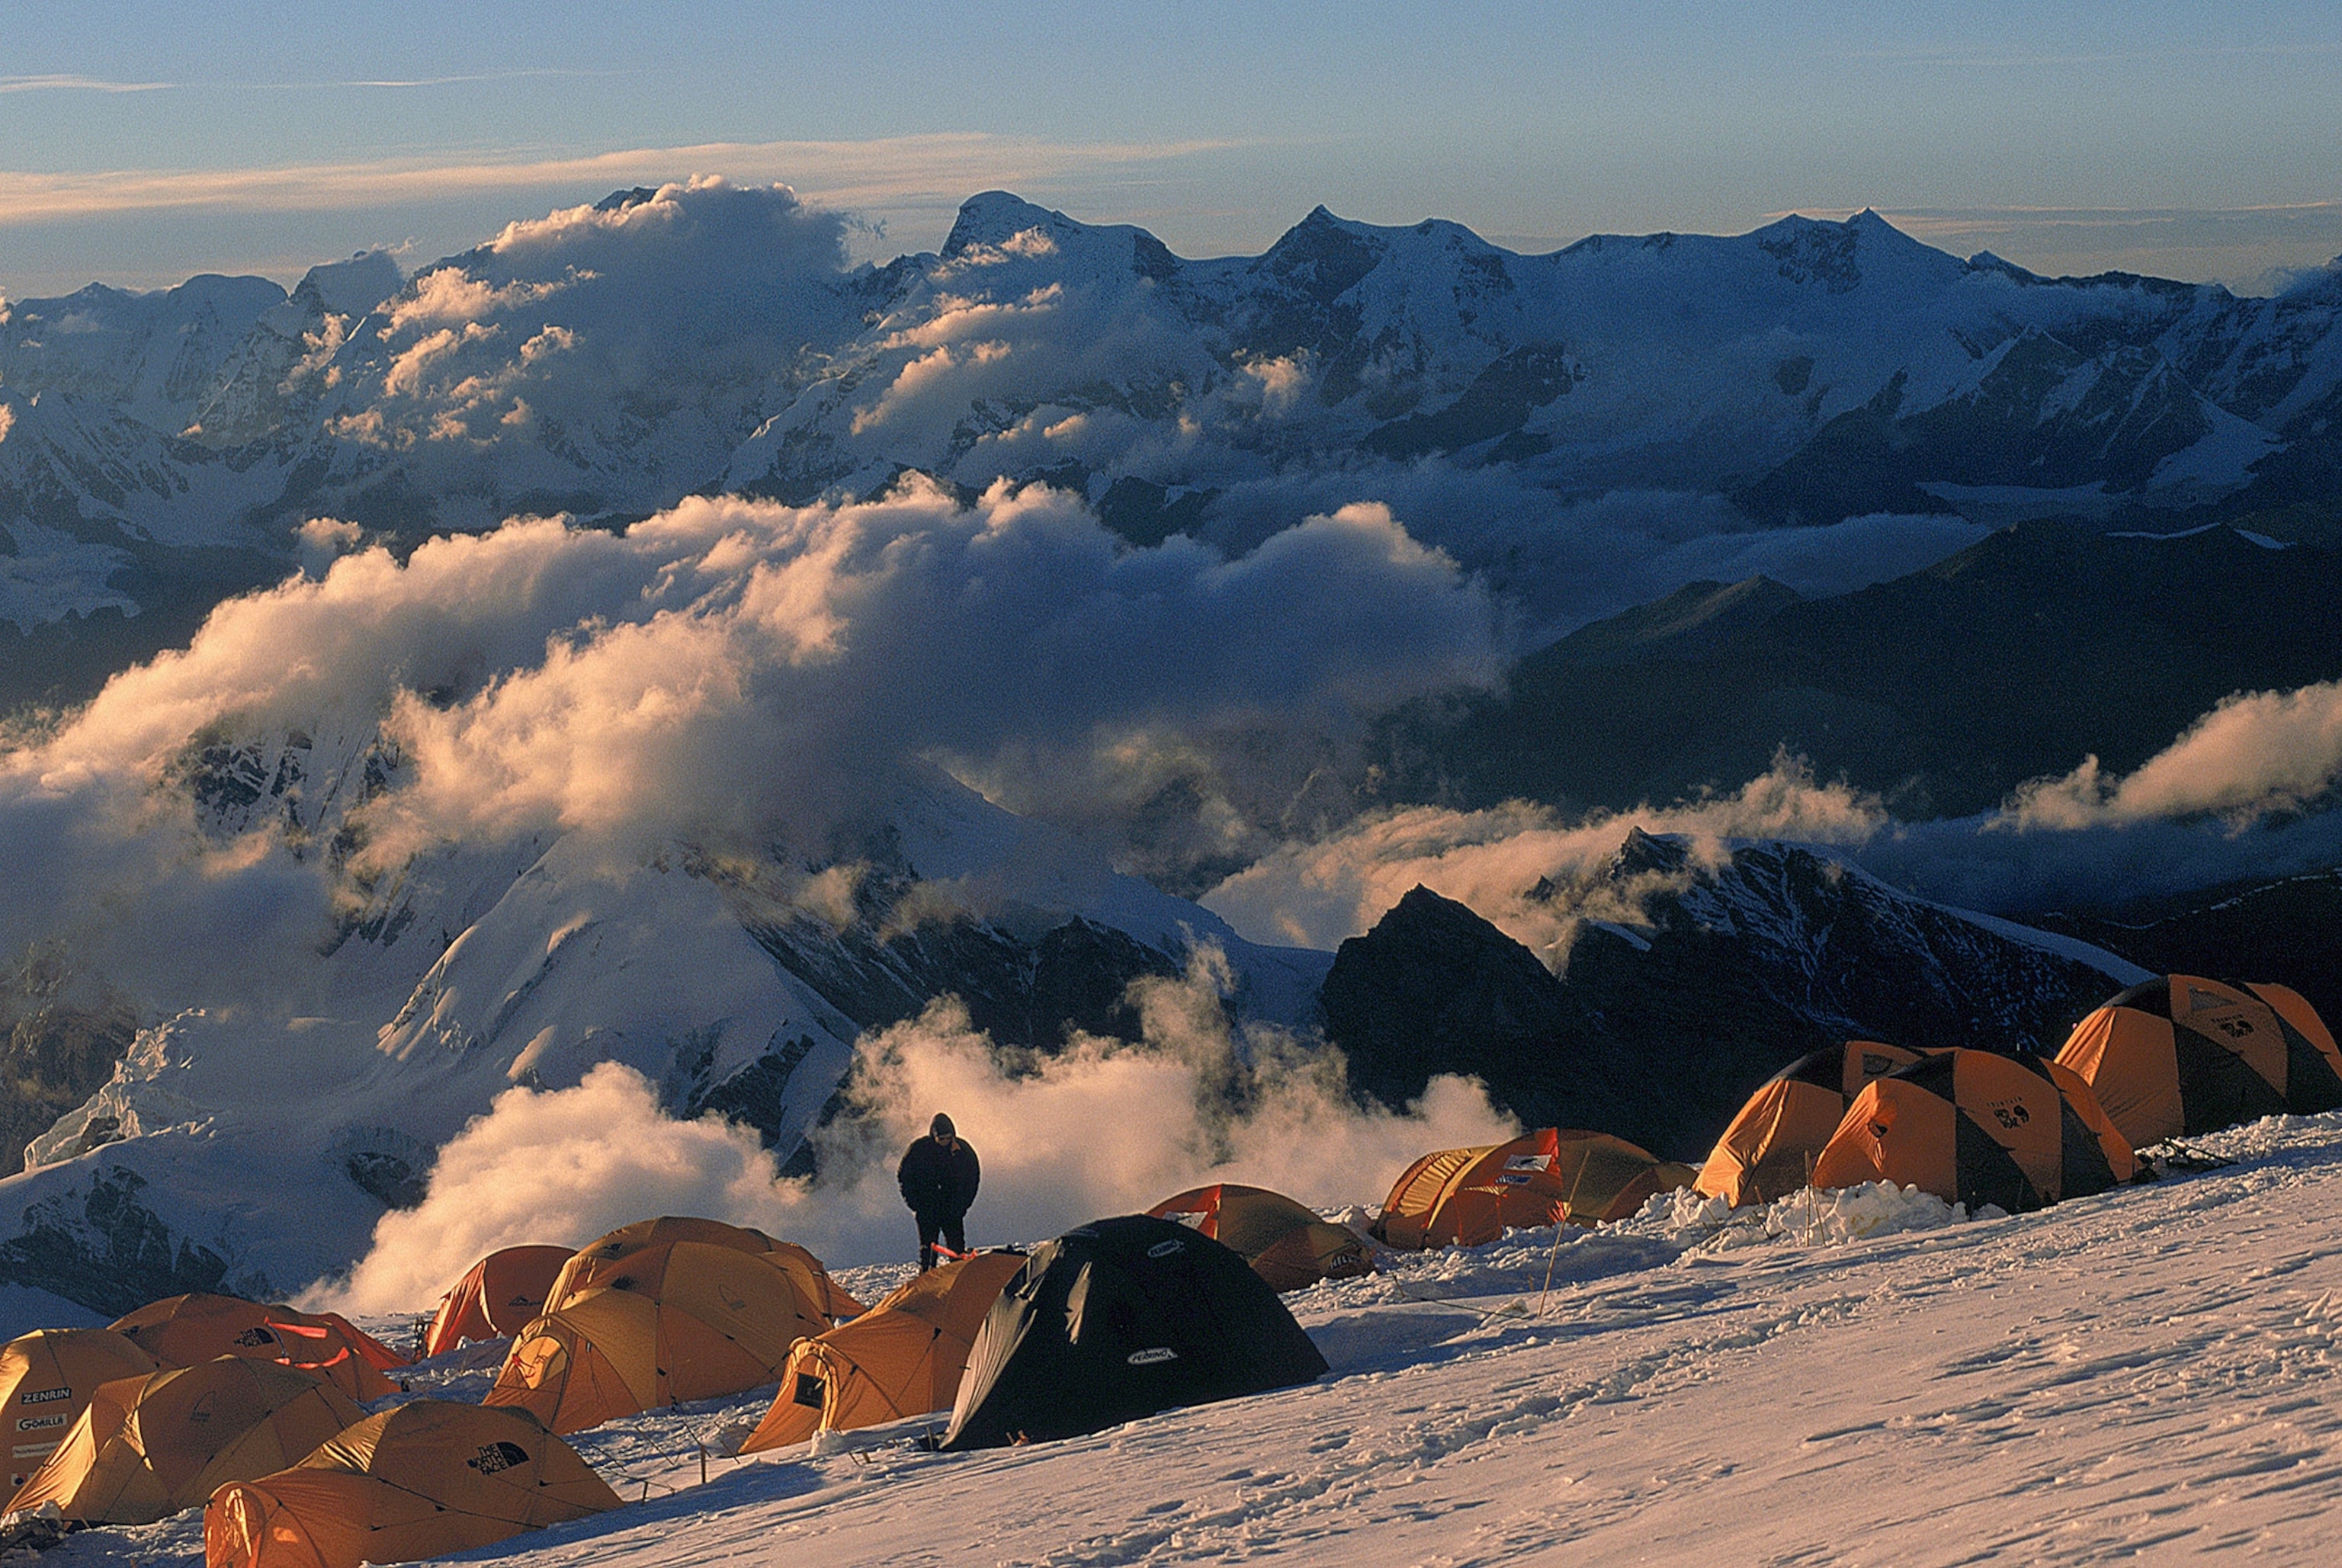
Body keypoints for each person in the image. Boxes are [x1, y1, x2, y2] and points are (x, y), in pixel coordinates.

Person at [897, 1113, 981, 1270]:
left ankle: (958, 1284)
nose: (945, 1142)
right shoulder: (919, 1149)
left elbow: (973, 1178)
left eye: (948, 1138)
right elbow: (904, 1176)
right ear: (934, 1136)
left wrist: (963, 1204)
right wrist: (915, 1204)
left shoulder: (962, 1151)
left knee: (956, 1250)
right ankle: (926, 1283)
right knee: (928, 1251)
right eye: (941, 1138)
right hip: (927, 1209)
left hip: (953, 1210)